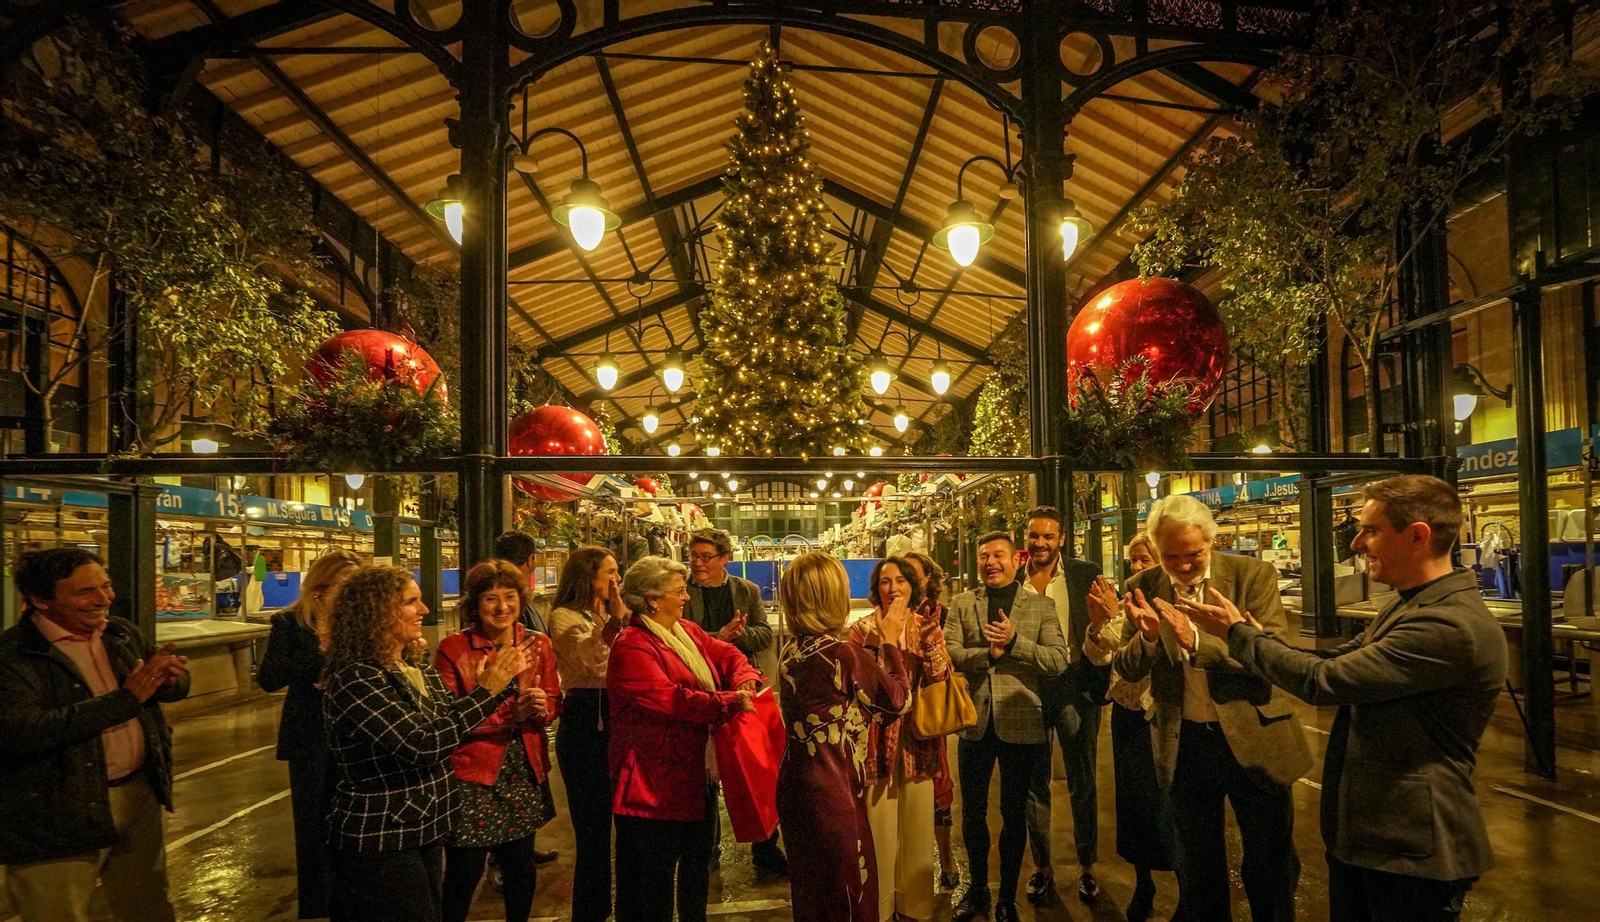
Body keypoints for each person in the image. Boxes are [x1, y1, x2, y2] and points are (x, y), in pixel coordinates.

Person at [1182, 475, 1507, 922]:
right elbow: (1331, 658)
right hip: (1374, 838)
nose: (1356, 543)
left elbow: (1324, 680)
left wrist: (1237, 636)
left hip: (1411, 848)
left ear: (1418, 536)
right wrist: (1253, 637)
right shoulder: (1405, 606)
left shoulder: (1447, 626)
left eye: (1370, 530)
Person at [1112, 495, 1312, 922]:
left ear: (1211, 541)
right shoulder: (1142, 587)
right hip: (1184, 742)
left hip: (1254, 737)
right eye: (1171, 556)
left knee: (1270, 864)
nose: (1184, 565)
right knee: (1198, 868)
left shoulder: (1251, 576)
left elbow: (1274, 658)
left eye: (1194, 554)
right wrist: (1147, 639)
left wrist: (1199, 643)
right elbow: (1125, 668)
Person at [322, 565, 533, 922]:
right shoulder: (357, 677)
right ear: (376, 611)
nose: (424, 611)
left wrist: (498, 695)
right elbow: (423, 743)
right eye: (411, 602)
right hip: (383, 836)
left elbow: (449, 721)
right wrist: (487, 693)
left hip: (425, 827)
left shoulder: (410, 665)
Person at [0, 548, 190, 922]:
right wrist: (127, 698)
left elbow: (168, 685)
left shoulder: (119, 633)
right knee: (61, 911)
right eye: (85, 592)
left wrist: (170, 678)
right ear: (40, 600)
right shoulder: (14, 657)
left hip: (136, 797)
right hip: (53, 814)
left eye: (106, 586)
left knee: (147, 906)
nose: (104, 599)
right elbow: (23, 731)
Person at [608, 556, 762, 922]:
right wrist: (730, 701)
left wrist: (744, 678)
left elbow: (726, 652)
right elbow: (672, 700)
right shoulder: (633, 645)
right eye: (678, 592)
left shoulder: (684, 631)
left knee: (697, 864)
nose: (686, 598)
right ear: (652, 600)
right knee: (655, 878)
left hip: (693, 770)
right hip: (652, 781)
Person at [776, 552, 912, 922]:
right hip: (834, 792)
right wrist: (890, 643)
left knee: (812, 895)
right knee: (851, 896)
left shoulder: (791, 652)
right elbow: (898, 702)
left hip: (795, 787)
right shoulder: (842, 654)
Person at [944, 532, 1069, 922]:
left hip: (1023, 723)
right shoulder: (964, 603)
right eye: (983, 556)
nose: (990, 562)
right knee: (972, 814)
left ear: (1015, 559)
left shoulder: (1041, 606)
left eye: (998, 555)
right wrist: (987, 654)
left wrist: (1016, 644)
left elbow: (1058, 660)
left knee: (1014, 815)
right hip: (975, 724)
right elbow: (949, 654)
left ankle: (1007, 898)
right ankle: (978, 888)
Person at [434, 561, 563, 922]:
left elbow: (553, 703)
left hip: (523, 766)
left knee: (520, 862)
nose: (502, 606)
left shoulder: (538, 644)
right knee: (464, 867)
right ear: (475, 604)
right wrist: (508, 714)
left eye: (510, 596)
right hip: (472, 772)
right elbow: (448, 719)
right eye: (491, 598)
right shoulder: (453, 648)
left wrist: (540, 707)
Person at [257, 546, 362, 920]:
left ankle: (353, 900)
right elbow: (269, 679)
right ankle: (317, 907)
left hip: (355, 735)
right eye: (345, 586)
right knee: (313, 826)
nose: (352, 594)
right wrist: (321, 653)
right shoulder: (289, 625)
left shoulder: (359, 624)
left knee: (354, 824)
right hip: (310, 738)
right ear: (320, 589)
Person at [1019, 505, 1114, 906]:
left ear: (1061, 539)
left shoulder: (1083, 573)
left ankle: (1087, 866)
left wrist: (1101, 622)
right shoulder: (1012, 578)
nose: (1040, 543)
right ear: (1025, 538)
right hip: (1028, 690)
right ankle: (1042, 868)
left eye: (1048, 536)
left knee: (1082, 780)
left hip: (1076, 687)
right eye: (1034, 535)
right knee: (1032, 783)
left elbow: (1106, 626)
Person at [1084, 534, 1180, 922]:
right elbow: (1101, 654)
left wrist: (1116, 622)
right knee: (1135, 806)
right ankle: (1144, 883)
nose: (1138, 568)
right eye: (1134, 561)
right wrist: (1097, 624)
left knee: (1170, 807)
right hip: (1127, 715)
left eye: (1145, 560)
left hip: (1162, 718)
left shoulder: (1171, 605)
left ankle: (1187, 888)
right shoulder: (1127, 605)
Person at [850, 557, 950, 922]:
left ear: (913, 586)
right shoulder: (861, 630)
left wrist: (929, 645)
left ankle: (916, 909)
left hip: (918, 739)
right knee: (878, 831)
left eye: (900, 581)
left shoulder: (927, 627)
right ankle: (879, 908)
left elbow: (941, 681)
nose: (893, 588)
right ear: (876, 590)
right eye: (885, 582)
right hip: (875, 741)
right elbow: (856, 685)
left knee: (918, 828)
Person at [683, 528, 786, 876]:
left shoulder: (747, 591)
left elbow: (763, 634)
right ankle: (706, 852)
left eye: (705, 556)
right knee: (704, 777)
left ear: (725, 559)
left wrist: (738, 635)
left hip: (742, 692)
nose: (697, 563)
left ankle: (766, 851)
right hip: (700, 693)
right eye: (694, 555)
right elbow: (676, 637)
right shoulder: (680, 592)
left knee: (757, 772)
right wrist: (717, 638)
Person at [546, 546, 629, 922]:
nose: (616, 580)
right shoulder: (564, 616)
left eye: (618, 573)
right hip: (584, 722)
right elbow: (592, 660)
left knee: (629, 829)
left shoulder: (617, 612)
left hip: (621, 718)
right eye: (609, 573)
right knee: (593, 836)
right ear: (587, 576)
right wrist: (614, 622)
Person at [493, 530, 559, 869]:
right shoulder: (519, 611)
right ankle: (500, 864)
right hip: (503, 726)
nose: (502, 606)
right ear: (531, 560)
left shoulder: (528, 614)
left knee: (525, 795)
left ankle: (518, 853)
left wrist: (545, 703)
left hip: (527, 720)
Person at [902, 550, 959, 890]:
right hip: (896, 715)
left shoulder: (943, 615)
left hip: (931, 712)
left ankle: (947, 857)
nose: (906, 578)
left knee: (938, 789)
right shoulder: (887, 615)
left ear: (928, 580)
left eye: (913, 573)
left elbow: (951, 661)